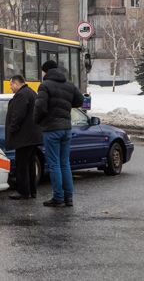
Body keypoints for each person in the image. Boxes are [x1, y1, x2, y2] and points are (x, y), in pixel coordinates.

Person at [34, 60, 84, 208]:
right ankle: (68, 198)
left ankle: (58, 197)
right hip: (66, 129)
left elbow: (40, 107)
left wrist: (36, 120)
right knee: (65, 163)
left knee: (54, 164)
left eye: (43, 71)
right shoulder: (69, 85)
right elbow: (80, 101)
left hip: (52, 129)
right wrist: (67, 104)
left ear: (46, 71)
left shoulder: (45, 85)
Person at [5, 75, 43, 200]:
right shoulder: (31, 92)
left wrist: (12, 129)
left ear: (16, 84)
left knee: (22, 165)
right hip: (33, 136)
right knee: (30, 164)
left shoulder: (21, 95)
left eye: (11, 85)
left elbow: (18, 115)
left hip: (24, 137)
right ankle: (32, 191)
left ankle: (23, 192)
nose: (10, 87)